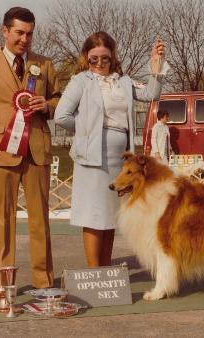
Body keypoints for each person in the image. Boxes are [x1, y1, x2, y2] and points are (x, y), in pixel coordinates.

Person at [55, 31, 168, 267]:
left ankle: (106, 271)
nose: (98, 64)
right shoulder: (81, 81)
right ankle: (94, 270)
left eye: (104, 58)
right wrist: (88, 131)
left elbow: (152, 94)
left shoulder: (123, 81)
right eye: (93, 58)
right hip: (92, 156)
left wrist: (155, 65)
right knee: (93, 216)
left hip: (121, 159)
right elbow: (61, 116)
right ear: (86, 57)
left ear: (112, 57)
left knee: (109, 215)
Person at [0, 7, 61, 297]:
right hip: (1, 151)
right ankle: (2, 284)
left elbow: (60, 99)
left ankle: (43, 282)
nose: (25, 39)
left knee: (40, 219)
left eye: (30, 33)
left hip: (37, 150)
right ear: (5, 31)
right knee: (1, 218)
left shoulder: (44, 64)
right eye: (19, 32)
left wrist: (47, 105)